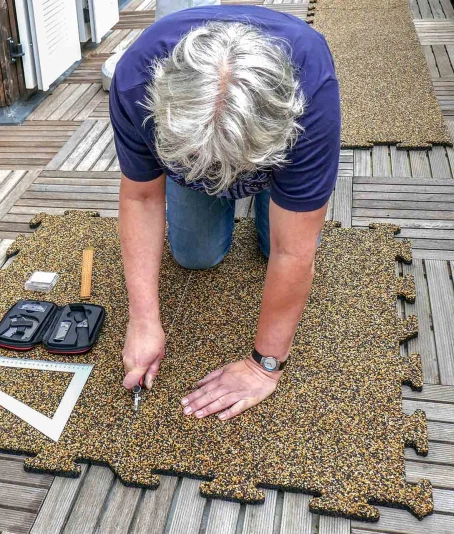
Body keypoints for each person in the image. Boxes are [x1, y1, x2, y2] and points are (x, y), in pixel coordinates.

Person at [110, 5, 341, 421]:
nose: (222, 179)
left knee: (277, 248)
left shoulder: (312, 91)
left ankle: (268, 186)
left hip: (275, 147)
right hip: (201, 143)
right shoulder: (133, 83)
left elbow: (293, 253)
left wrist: (264, 366)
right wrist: (142, 320)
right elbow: (142, 198)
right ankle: (216, 166)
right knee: (195, 256)